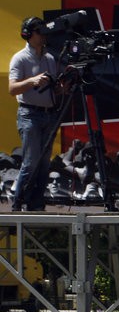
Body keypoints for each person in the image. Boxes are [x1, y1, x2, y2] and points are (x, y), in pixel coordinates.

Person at [7, 16, 61, 211]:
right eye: (39, 32)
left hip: (48, 114)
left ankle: (36, 204)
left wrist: (66, 84)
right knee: (31, 162)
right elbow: (12, 89)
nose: (43, 35)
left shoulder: (49, 59)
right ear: (28, 35)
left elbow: (54, 90)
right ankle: (18, 204)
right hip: (29, 115)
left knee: (44, 163)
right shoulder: (20, 58)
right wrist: (32, 81)